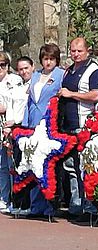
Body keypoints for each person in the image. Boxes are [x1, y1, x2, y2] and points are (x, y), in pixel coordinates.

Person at [57, 37, 98, 218]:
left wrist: (72, 94)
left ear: (87, 51)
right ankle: (76, 205)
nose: (76, 54)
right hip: (67, 126)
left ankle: (90, 206)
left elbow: (96, 95)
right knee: (71, 167)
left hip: (84, 125)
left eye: (79, 51)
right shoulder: (68, 71)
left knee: (86, 167)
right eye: (73, 51)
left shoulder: (94, 70)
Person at [17, 44, 66, 217]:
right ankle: (36, 205)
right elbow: (30, 101)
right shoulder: (36, 75)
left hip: (49, 126)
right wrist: (25, 124)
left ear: (56, 60)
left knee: (48, 167)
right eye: (45, 59)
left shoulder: (61, 75)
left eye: (52, 59)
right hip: (32, 124)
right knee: (32, 165)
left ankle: (50, 205)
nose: (48, 62)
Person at [0, 52, 23, 213]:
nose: (0, 69)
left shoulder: (14, 81)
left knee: (11, 165)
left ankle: (15, 200)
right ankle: (3, 198)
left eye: (2, 65)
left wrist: (11, 122)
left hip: (10, 127)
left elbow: (18, 103)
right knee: (1, 166)